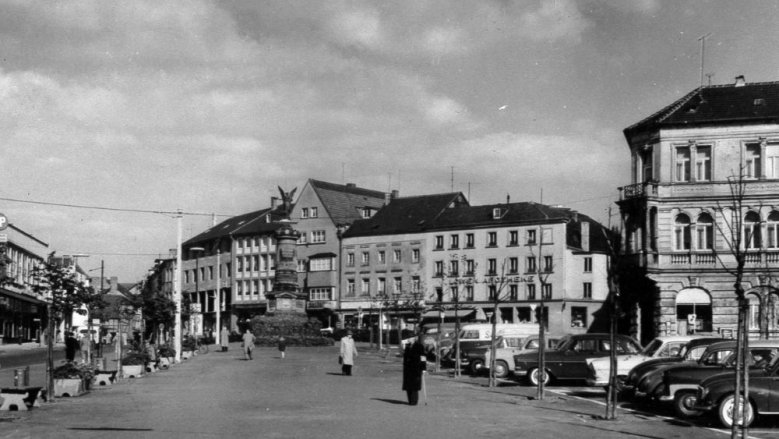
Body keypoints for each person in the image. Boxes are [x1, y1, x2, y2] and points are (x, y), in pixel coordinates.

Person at [402, 336, 428, 405]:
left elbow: (423, 357)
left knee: (414, 385)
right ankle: (410, 400)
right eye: (408, 338)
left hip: (416, 367)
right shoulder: (407, 346)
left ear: (414, 338)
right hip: (408, 368)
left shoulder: (419, 346)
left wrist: (423, 367)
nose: (408, 339)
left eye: (410, 338)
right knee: (408, 385)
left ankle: (414, 401)